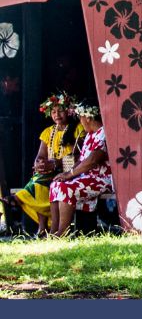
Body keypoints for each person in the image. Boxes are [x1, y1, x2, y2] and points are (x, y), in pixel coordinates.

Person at [10, 93, 84, 236]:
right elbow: (40, 156)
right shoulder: (48, 132)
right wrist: (39, 164)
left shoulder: (78, 129)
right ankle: (42, 227)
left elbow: (81, 156)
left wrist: (57, 164)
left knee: (39, 183)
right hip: (51, 172)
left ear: (69, 111)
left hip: (71, 171)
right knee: (38, 180)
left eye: (60, 111)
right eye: (54, 112)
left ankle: (18, 199)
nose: (57, 115)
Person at [47, 103, 111, 237]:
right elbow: (82, 161)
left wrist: (70, 174)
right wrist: (66, 174)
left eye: (81, 118)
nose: (81, 122)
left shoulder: (104, 133)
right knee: (56, 184)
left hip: (101, 178)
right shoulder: (90, 135)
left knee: (67, 188)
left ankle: (62, 233)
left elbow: (93, 160)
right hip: (86, 177)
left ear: (88, 118)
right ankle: (53, 232)